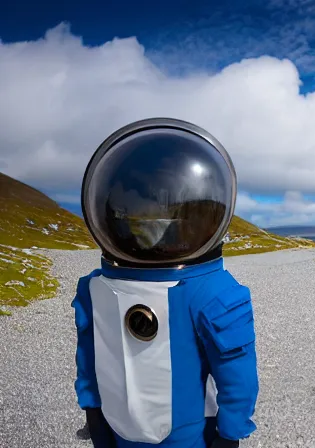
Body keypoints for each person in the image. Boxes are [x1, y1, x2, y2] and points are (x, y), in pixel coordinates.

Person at [71, 118, 259, 447]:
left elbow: (235, 377)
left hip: (154, 432)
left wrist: (93, 412)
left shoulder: (95, 288)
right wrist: (230, 435)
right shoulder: (212, 293)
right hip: (143, 430)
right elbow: (238, 376)